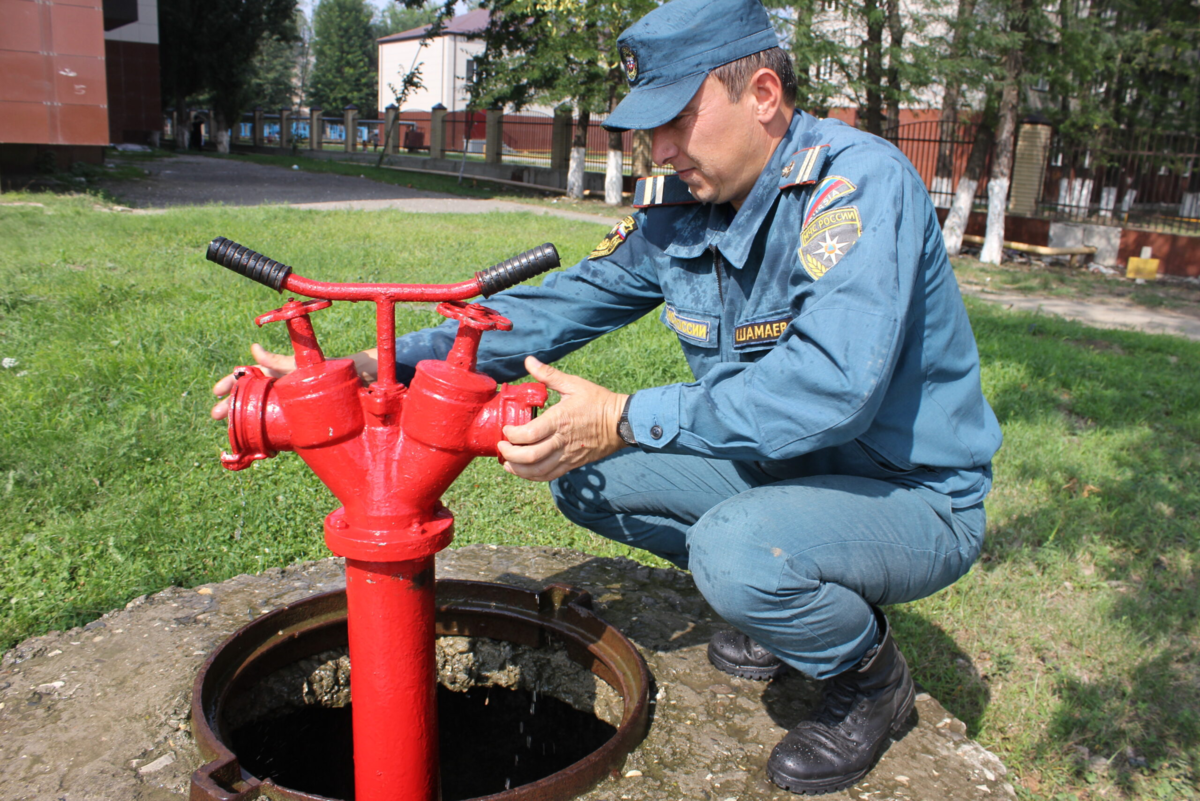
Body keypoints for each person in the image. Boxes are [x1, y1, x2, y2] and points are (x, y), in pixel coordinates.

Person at [212, 0, 1001, 792]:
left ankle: (869, 676)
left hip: (907, 492)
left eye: (678, 118)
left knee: (734, 552)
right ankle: (782, 602)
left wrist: (626, 417)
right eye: (648, 127)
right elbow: (547, 313)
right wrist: (361, 369)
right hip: (779, 467)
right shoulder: (680, 211)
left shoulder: (853, 187)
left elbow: (829, 391)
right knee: (584, 474)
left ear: (763, 94)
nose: (658, 149)